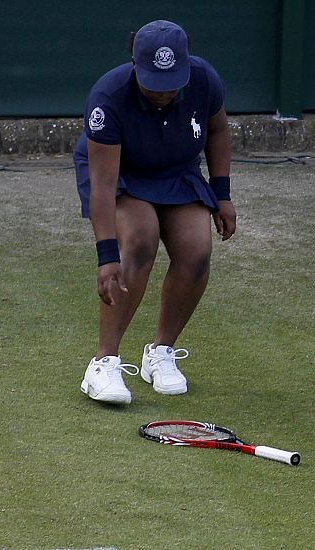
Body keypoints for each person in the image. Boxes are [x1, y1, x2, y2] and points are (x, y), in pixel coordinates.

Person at [74, 20, 236, 405]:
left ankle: (160, 353)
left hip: (175, 171)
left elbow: (217, 131)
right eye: (153, 84)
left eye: (171, 83)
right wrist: (107, 256)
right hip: (122, 173)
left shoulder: (205, 79)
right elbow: (102, 184)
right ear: (135, 65)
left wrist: (222, 194)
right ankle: (103, 363)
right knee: (141, 239)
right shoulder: (108, 96)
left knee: (197, 251)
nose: (163, 93)